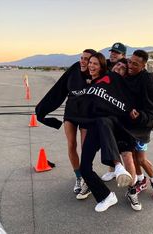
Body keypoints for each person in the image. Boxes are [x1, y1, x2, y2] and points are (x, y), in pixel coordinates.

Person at [76, 53, 133, 209]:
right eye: (90, 63)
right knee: (84, 168)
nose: (91, 66)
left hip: (110, 125)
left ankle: (118, 166)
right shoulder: (96, 82)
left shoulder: (116, 82)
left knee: (103, 120)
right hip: (95, 127)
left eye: (123, 68)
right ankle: (107, 196)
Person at [35, 49, 96, 194]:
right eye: (82, 57)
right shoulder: (74, 69)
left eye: (86, 59)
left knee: (85, 149)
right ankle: (79, 177)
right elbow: (59, 88)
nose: (83, 61)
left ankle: (87, 176)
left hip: (87, 115)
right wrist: (42, 109)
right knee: (71, 144)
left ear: (93, 62)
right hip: (71, 113)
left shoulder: (96, 73)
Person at [122, 50, 153, 204]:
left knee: (140, 159)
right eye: (129, 62)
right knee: (131, 157)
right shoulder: (127, 75)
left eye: (135, 64)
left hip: (142, 126)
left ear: (144, 65)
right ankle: (141, 180)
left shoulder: (149, 79)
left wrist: (140, 116)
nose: (130, 65)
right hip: (127, 125)